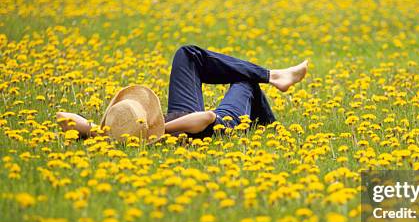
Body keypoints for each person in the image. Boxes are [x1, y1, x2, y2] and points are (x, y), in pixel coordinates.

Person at [56, 45, 308, 141]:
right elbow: (207, 117)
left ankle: (273, 76)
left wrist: (98, 129)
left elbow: (62, 116)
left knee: (187, 54)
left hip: (177, 114)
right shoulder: (161, 133)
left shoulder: (113, 135)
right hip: (218, 126)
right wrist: (156, 131)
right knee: (245, 82)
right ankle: (271, 122)